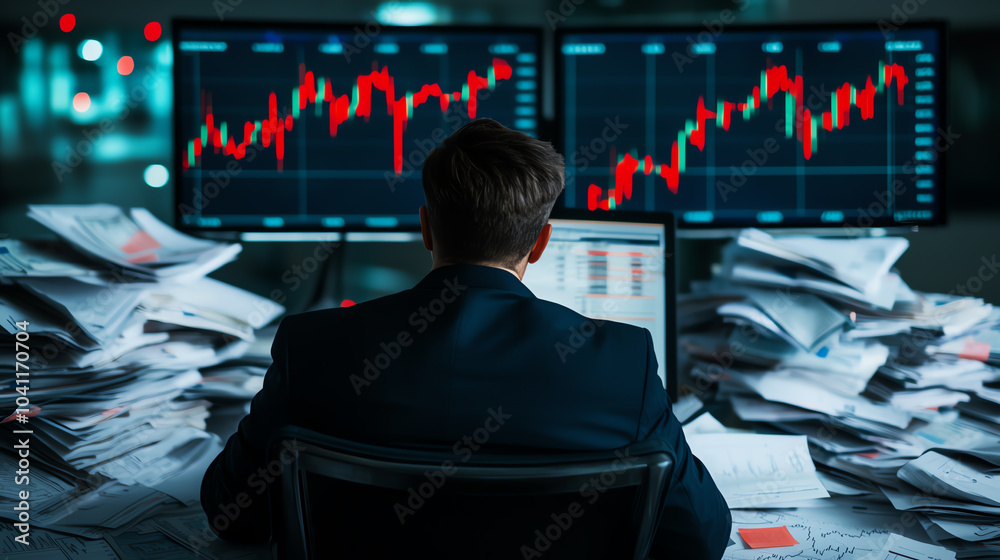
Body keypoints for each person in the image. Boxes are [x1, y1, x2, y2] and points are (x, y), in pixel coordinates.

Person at [200, 118, 731, 558]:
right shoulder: (622, 361)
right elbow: (700, 540)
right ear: (542, 242)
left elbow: (231, 513)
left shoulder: (310, 346)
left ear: (427, 227)